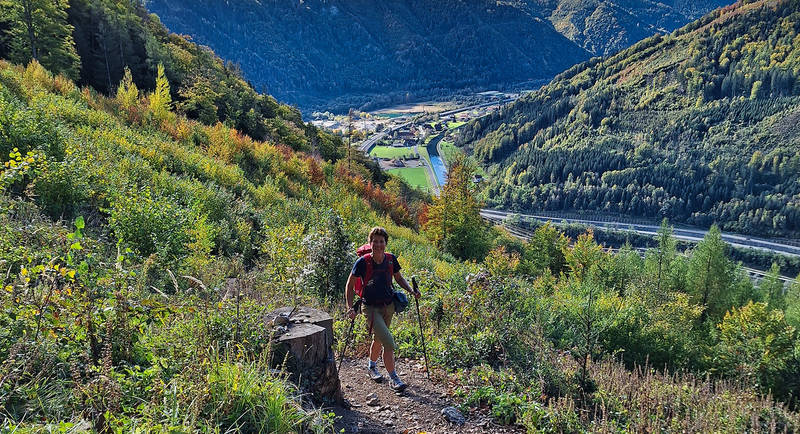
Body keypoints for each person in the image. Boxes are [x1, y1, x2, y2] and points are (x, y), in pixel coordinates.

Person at [345, 226, 420, 391]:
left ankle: (371, 366)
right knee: (389, 342)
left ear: (386, 243)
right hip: (370, 308)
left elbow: (399, 278)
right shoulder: (363, 262)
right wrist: (350, 307)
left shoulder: (391, 259)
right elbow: (350, 285)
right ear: (370, 243)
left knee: (379, 339)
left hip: (388, 307)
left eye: (381, 241)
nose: (378, 244)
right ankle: (394, 378)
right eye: (375, 241)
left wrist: (411, 291)